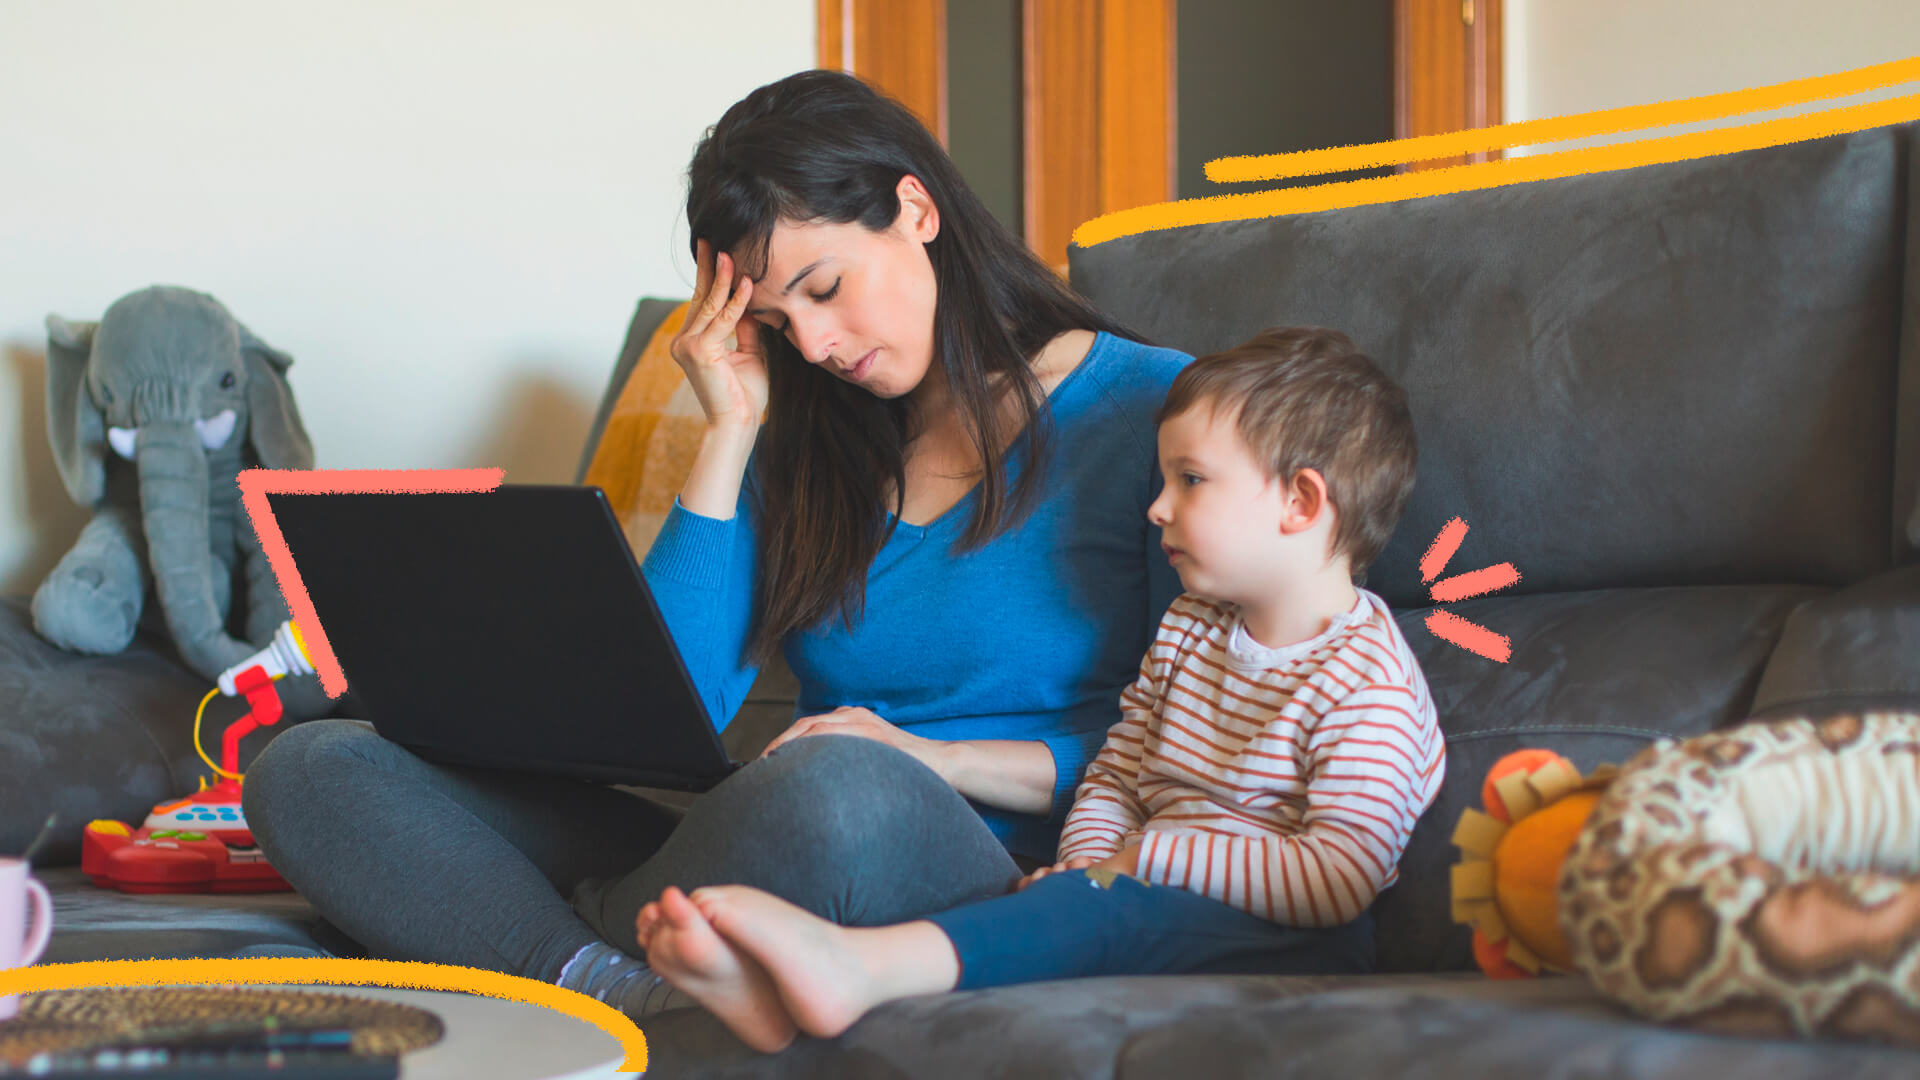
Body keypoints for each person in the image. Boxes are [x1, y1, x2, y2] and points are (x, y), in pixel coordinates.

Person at [241, 68, 1190, 1017]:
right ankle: (617, 986)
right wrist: (729, 433)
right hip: (746, 838)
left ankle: (540, 927)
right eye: (779, 320)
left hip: (940, 852)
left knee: (839, 789)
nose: (816, 346)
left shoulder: (1159, 414)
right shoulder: (814, 442)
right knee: (314, 765)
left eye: (825, 288)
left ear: (915, 209)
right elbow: (671, 709)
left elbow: (1201, 746)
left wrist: (929, 760)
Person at [631, 327, 1446, 1052]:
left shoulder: (1364, 680)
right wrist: (1086, 860)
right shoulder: (1193, 631)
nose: (1157, 507)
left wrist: (1143, 862)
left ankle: (851, 970)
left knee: (1099, 913)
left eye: (1192, 481)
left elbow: (1338, 875)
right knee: (1076, 908)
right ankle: (779, 998)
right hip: (1134, 890)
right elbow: (1119, 773)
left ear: (1301, 502)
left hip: (1289, 935)